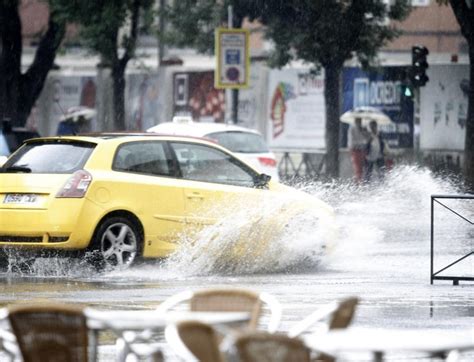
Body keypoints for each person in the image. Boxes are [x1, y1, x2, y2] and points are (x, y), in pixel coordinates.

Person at [348, 117, 369, 183]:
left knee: (363, 168)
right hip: (355, 150)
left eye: (360, 121)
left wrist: (365, 132)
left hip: (362, 150)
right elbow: (351, 140)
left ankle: (360, 181)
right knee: (358, 168)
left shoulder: (363, 128)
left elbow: (367, 138)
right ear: (355, 121)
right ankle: (358, 183)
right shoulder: (352, 128)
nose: (359, 122)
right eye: (358, 121)